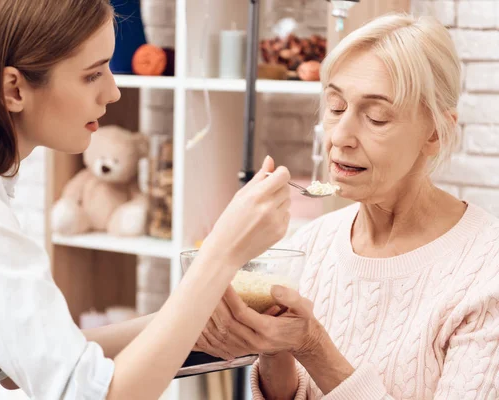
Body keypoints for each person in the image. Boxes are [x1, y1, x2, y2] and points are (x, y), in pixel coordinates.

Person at [0, 1, 292, 399]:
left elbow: (21, 363)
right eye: (92, 75)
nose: (113, 91)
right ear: (14, 89)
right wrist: (221, 253)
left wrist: (197, 321)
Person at [194, 13, 499, 400]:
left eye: (376, 117)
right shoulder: (314, 243)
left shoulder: (487, 272)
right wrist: (275, 348)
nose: (340, 136)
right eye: (336, 107)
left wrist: (313, 347)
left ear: (435, 131)